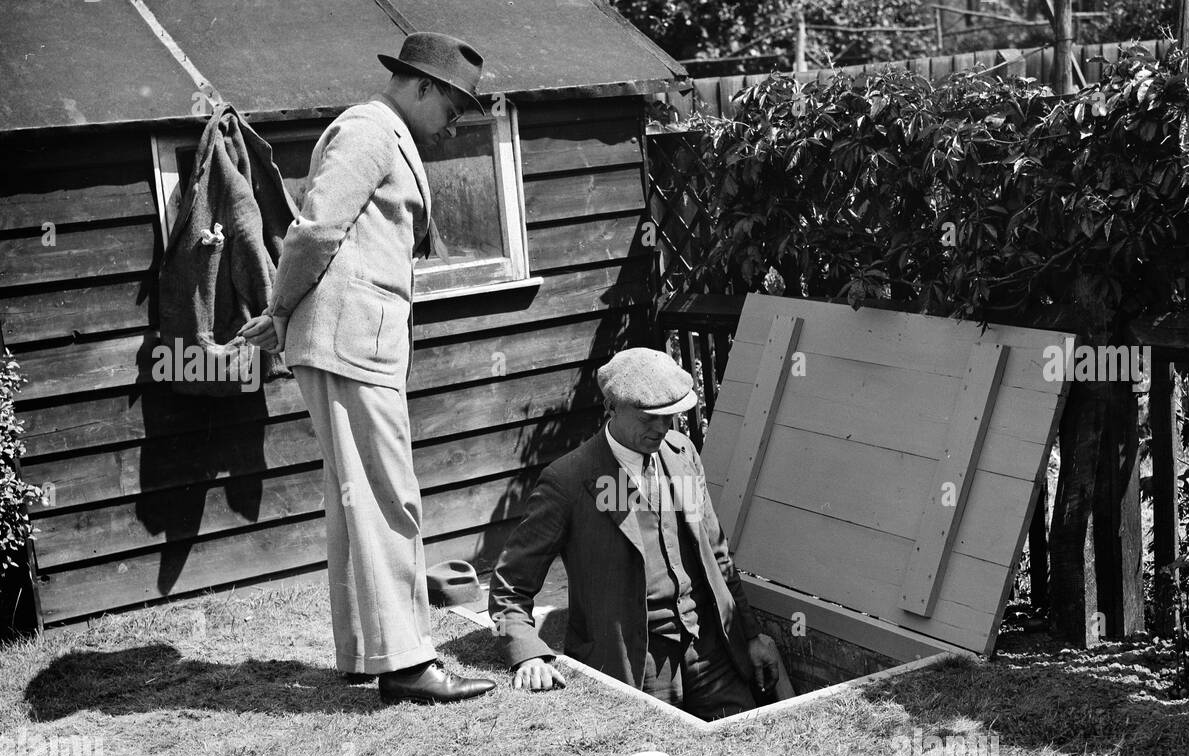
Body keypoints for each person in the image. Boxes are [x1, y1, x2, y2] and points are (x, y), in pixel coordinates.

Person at [240, 32, 493, 705]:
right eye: (454, 106)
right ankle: (409, 663)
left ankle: (367, 652)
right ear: (421, 86)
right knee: (389, 497)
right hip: (352, 344)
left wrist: (283, 315)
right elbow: (316, 230)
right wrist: (282, 306)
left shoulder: (386, 133)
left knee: (357, 495)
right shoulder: (371, 131)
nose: (455, 123)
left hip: (353, 341)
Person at [489, 348, 782, 720]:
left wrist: (749, 634)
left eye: (669, 417)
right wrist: (527, 652)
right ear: (612, 407)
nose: (661, 429)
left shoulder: (681, 453)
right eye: (648, 418)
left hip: (710, 649)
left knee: (741, 745)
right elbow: (510, 584)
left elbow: (717, 552)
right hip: (637, 660)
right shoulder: (569, 481)